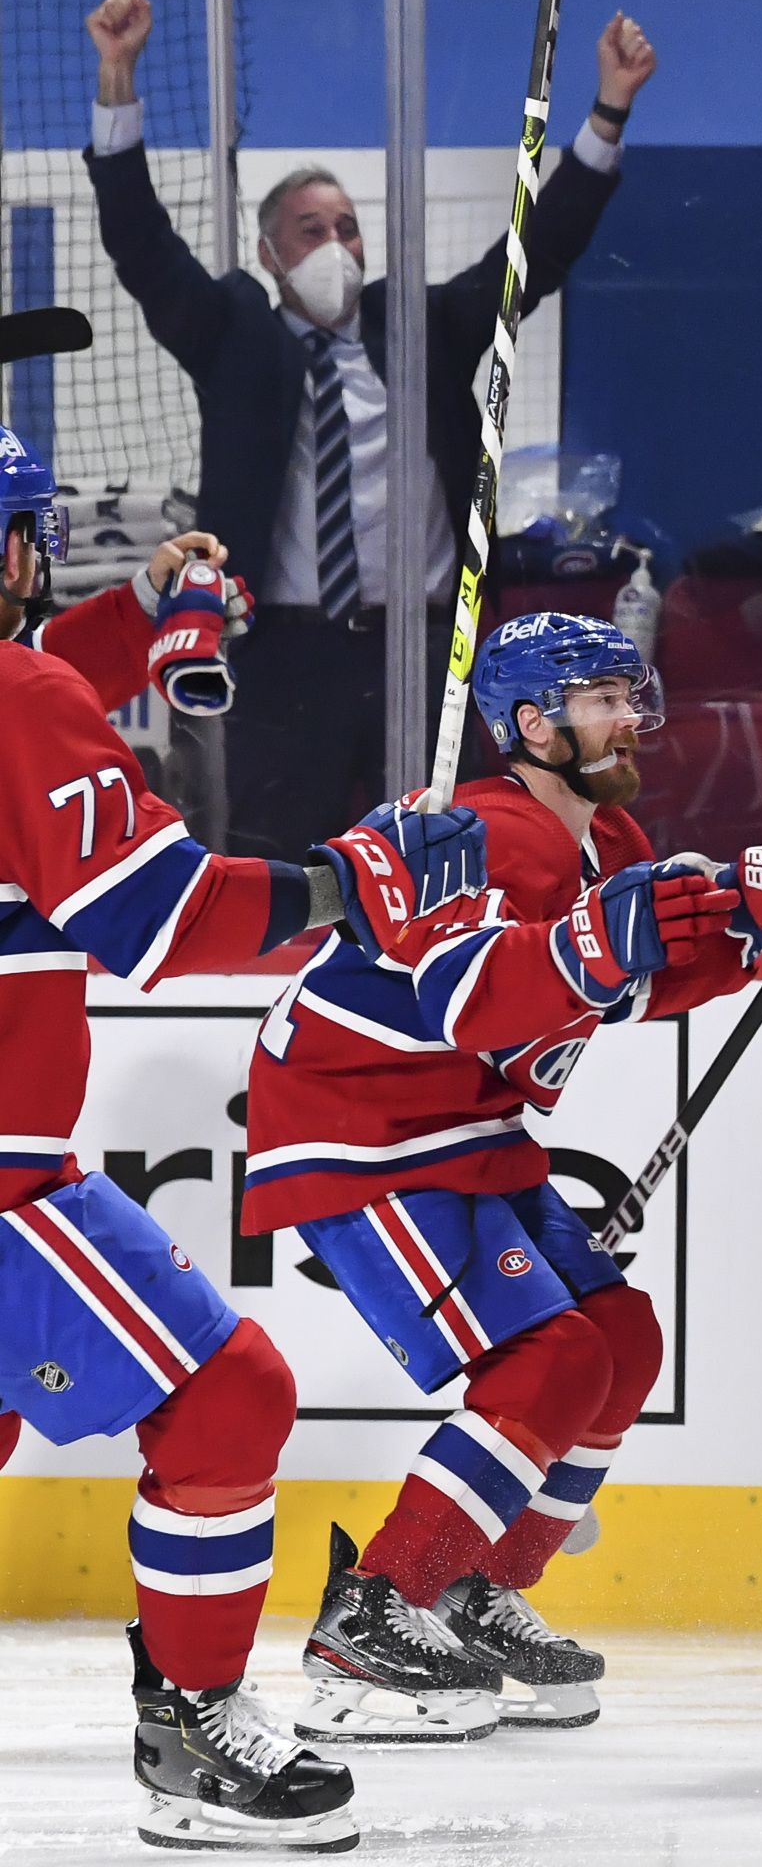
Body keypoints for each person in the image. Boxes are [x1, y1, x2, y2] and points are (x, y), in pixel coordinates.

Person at [241, 612, 762, 1742]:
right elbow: (478, 1000)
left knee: (623, 1337)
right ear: (531, 724)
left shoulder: (609, 839)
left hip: (468, 1130)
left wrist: (759, 915)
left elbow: (634, 977)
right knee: (554, 1357)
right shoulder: (491, 830)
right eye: (602, 697)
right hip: (359, 1132)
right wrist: (647, 922)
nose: (632, 714)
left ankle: (477, 1585)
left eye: (633, 691)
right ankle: (380, 1610)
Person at [3, 415, 432, 1852]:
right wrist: (344, 886)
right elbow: (156, 916)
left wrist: (137, 625)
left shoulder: (30, 685)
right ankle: (192, 1728)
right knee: (229, 1393)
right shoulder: (18, 691)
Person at [83, 0, 654, 861]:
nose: (335, 246)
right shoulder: (237, 338)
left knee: (454, 867)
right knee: (274, 870)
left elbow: (532, 255)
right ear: (272, 257)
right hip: (283, 656)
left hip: (425, 654)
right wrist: (116, 78)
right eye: (309, 231)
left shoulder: (419, 326)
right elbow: (142, 246)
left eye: (347, 229)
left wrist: (607, 112)